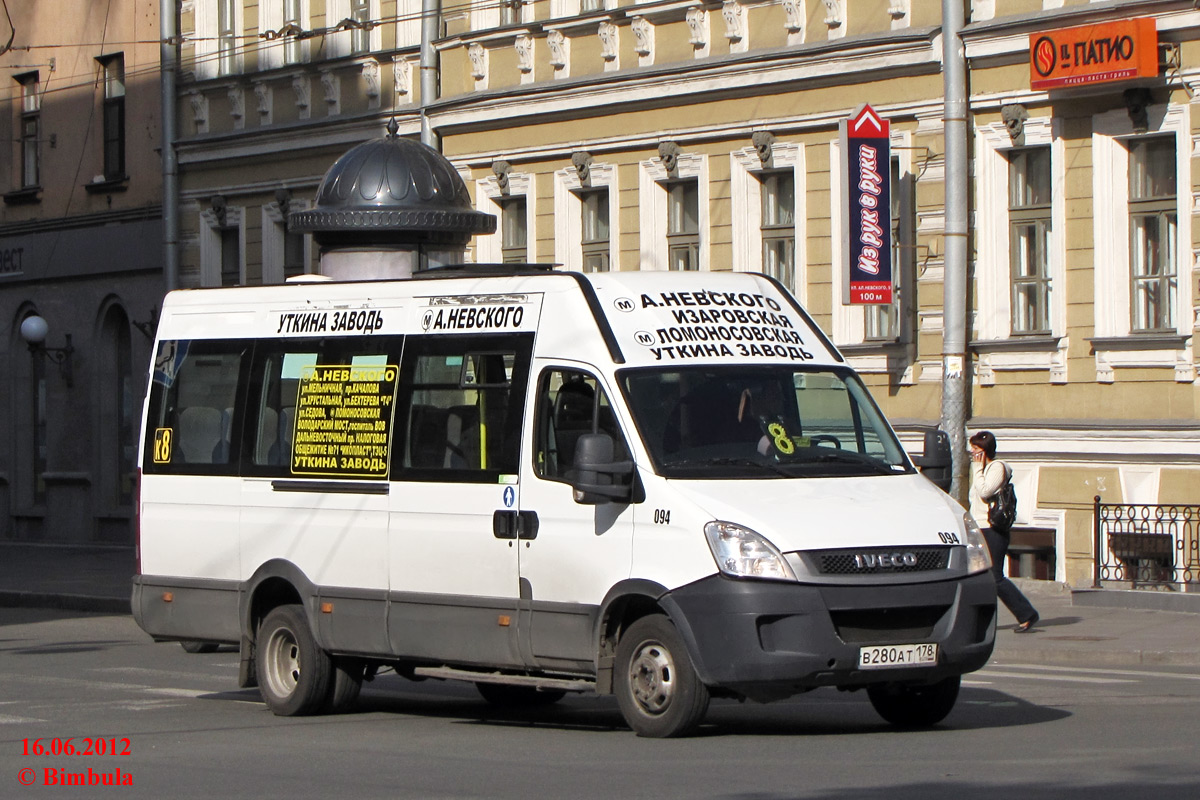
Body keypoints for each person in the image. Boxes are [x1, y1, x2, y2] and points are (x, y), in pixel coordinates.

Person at [969, 430, 1039, 633]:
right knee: (979, 577)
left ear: (985, 450)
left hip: (993, 530)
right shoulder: (982, 470)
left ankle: (1026, 613)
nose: (972, 453)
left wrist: (977, 468)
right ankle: (978, 620)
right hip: (980, 528)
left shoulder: (997, 468)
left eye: (976, 449)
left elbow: (985, 491)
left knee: (995, 577)